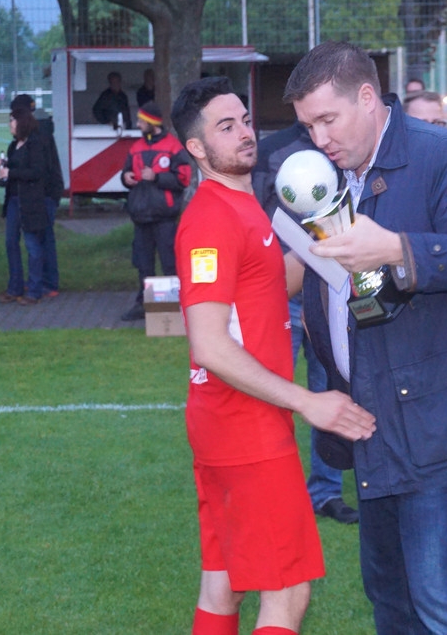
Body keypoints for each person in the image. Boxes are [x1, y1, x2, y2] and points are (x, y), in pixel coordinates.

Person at [285, 41, 447, 633]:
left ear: (367, 97)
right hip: (373, 421)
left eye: (326, 119)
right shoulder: (330, 174)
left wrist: (397, 249)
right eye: (307, 125)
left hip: (442, 420)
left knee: (446, 605)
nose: (318, 138)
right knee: (391, 603)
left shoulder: (441, 155)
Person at [169, 76, 375, 635]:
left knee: (224, 580)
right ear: (195, 147)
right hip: (246, 426)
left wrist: (325, 230)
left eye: (244, 120)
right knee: (287, 592)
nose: (244, 133)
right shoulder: (211, 217)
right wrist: (307, 402)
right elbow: (209, 344)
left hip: (228, 422)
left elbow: (267, 283)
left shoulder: (243, 205)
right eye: (225, 126)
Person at [252, 121, 359, 525]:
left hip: (329, 289)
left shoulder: (344, 147)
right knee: (267, 387)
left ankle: (327, 490)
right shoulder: (273, 149)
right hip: (278, 291)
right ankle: (266, 484)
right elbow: (255, 214)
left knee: (329, 383)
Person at [119, 101, 192, 322]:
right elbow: (126, 171)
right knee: (143, 262)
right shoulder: (136, 147)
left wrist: (157, 177)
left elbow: (184, 178)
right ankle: (144, 305)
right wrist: (126, 178)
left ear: (152, 123)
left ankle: (172, 310)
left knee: (169, 262)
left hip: (165, 216)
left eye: (142, 121)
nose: (139, 124)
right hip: (141, 215)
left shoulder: (173, 147)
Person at [0, 106, 52, 305]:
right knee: (11, 243)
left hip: (30, 202)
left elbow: (37, 172)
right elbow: (14, 170)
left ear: (22, 122)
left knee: (32, 245)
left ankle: (35, 289)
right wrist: (4, 169)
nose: (10, 125)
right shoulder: (14, 146)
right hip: (13, 200)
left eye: (12, 120)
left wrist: (12, 173)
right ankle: (15, 286)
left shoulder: (35, 145)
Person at [10, 94, 62, 298]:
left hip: (43, 193)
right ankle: (47, 281)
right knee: (45, 238)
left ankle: (47, 283)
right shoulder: (42, 129)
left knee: (42, 239)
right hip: (48, 191)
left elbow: (40, 169)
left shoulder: (36, 135)